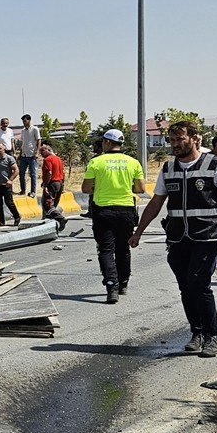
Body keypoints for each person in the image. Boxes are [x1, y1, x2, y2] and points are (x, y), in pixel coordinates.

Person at [130, 121, 217, 358]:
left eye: (180, 139)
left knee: (199, 282)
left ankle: (212, 334)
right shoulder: (168, 168)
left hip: (207, 235)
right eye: (172, 140)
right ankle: (197, 332)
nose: (175, 144)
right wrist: (138, 232)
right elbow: (156, 202)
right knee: (186, 286)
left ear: (194, 139)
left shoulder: (214, 164)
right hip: (178, 237)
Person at [81, 129, 145, 303]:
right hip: (126, 211)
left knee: (106, 250)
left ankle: (111, 285)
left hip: (103, 212)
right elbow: (140, 189)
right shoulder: (133, 162)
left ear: (107, 142)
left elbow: (86, 189)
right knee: (123, 249)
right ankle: (123, 283)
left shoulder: (96, 162)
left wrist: (100, 188)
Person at [0, 141, 21, 226]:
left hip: (6, 185)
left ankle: (17, 217)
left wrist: (10, 180)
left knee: (9, 202)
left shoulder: (9, 158)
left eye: (0, 148)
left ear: (4, 149)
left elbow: (16, 170)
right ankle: (1, 221)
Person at [18, 114, 41, 196]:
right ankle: (23, 190)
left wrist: (37, 152)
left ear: (29, 120)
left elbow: (38, 141)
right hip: (24, 155)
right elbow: (23, 143)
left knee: (32, 174)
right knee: (21, 173)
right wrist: (20, 154)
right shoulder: (23, 131)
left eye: (25, 121)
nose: (24, 123)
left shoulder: (35, 129)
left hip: (32, 155)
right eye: (23, 121)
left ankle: (33, 191)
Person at [40, 143, 65, 216]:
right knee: (54, 204)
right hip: (59, 183)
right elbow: (63, 172)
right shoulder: (58, 159)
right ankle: (54, 219)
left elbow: (49, 173)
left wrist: (45, 185)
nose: (41, 153)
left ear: (48, 150)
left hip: (52, 183)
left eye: (43, 151)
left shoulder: (47, 159)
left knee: (47, 204)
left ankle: (56, 217)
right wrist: (62, 184)